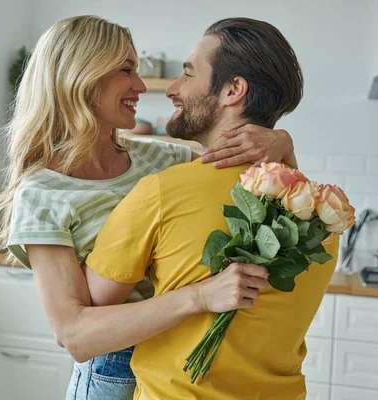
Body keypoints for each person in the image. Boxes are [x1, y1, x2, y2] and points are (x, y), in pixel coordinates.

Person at [0, 15, 300, 400]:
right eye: (126, 70)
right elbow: (74, 335)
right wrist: (199, 297)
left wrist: (282, 142)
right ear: (81, 76)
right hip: (111, 374)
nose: (141, 86)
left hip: (175, 359)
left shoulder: (162, 160)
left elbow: (259, 187)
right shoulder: (43, 192)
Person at [84, 17, 340, 400]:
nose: (173, 89)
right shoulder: (321, 214)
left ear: (233, 90)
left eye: (188, 74)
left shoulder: (162, 193)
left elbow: (89, 311)